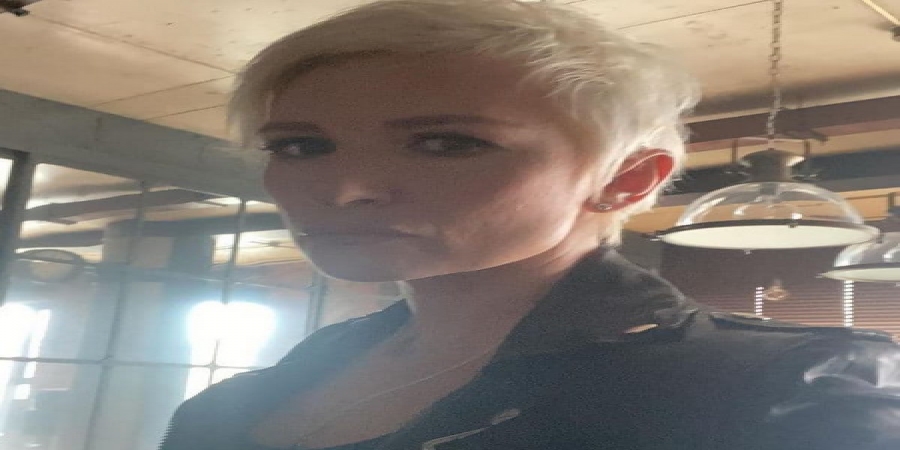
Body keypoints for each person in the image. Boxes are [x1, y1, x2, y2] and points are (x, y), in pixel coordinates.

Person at [159, 1, 900, 449]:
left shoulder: (782, 391)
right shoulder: (246, 399)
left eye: (446, 143)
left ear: (625, 179)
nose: (345, 189)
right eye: (300, 146)